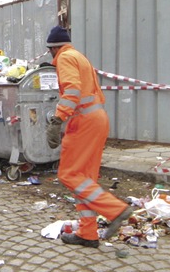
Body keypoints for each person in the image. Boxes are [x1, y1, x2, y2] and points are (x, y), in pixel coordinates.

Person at [45, 25, 132, 248]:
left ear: (53, 48)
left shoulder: (65, 58)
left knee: (69, 174)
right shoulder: (79, 57)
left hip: (84, 122)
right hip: (96, 119)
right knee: (85, 180)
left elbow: (72, 91)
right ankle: (88, 233)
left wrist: (57, 119)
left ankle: (116, 210)